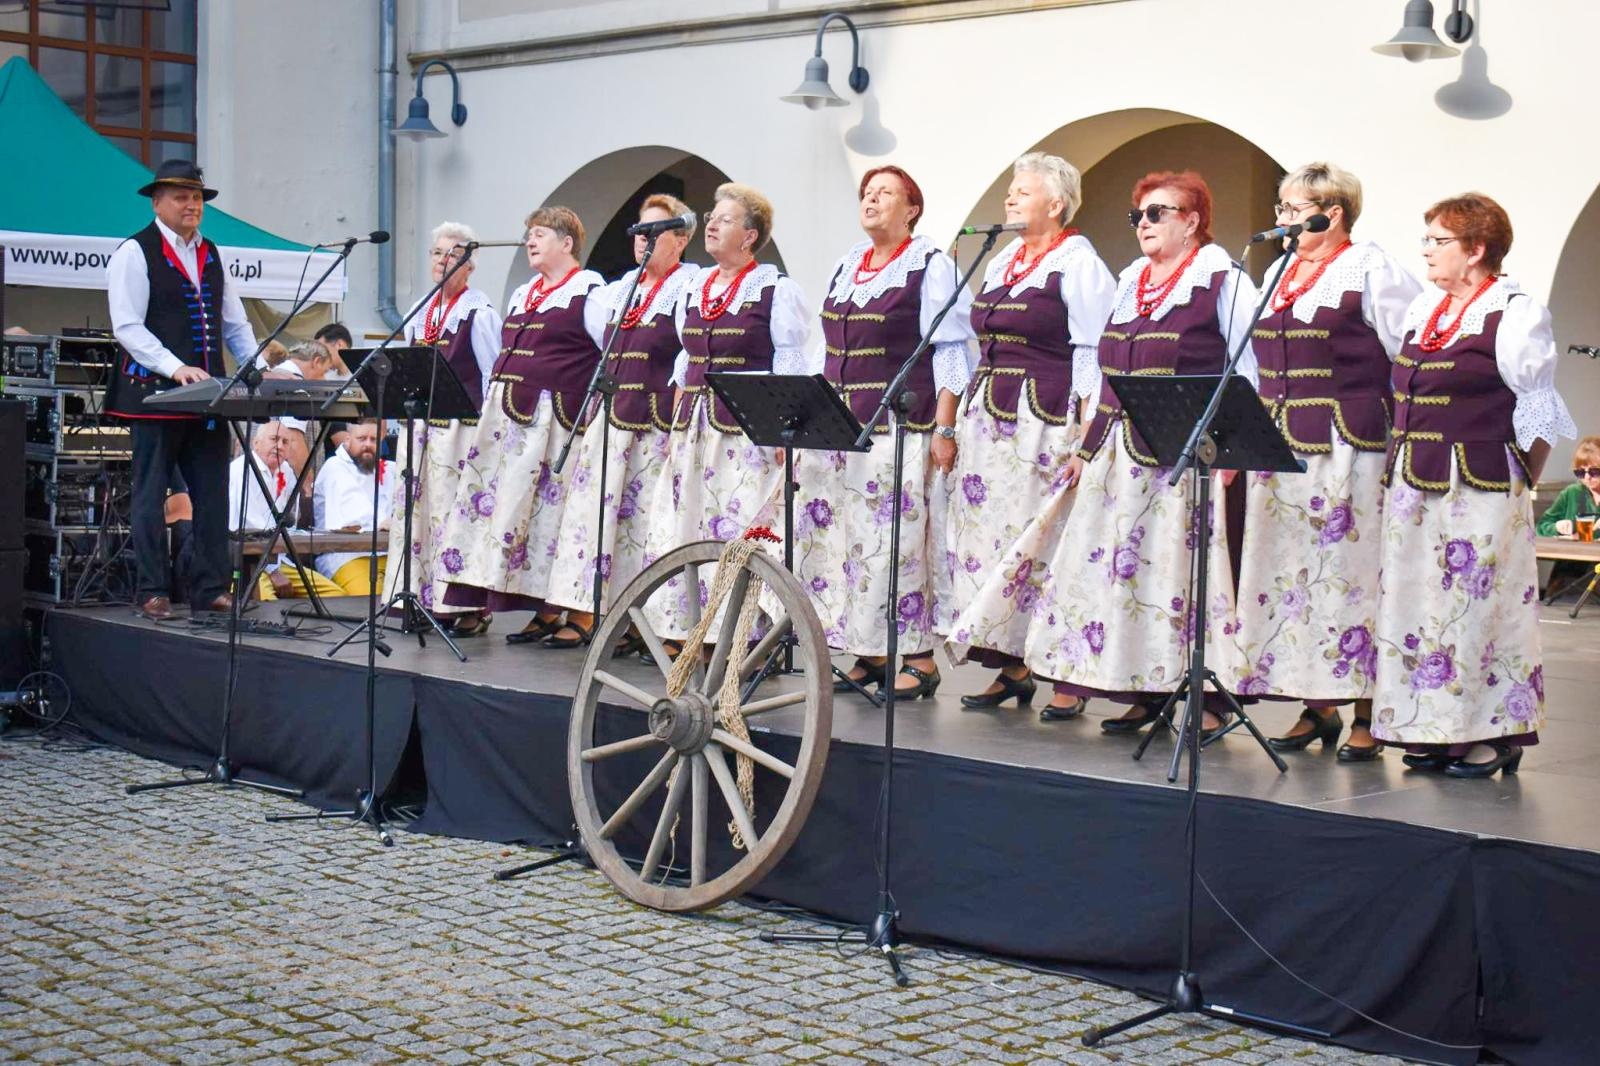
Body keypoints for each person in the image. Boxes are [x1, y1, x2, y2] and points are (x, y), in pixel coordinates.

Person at [971, 171, 1259, 733]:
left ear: (1192, 221)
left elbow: (1246, 367)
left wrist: (1230, 449)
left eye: (1158, 213)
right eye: (1139, 215)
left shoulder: (1221, 278)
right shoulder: (1132, 278)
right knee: (1131, 576)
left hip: (1186, 453)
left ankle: (1206, 699)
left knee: (1182, 576)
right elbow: (1108, 366)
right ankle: (1144, 689)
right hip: (1123, 453)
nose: (1145, 224)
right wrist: (1088, 444)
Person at [1372, 193, 1577, 778]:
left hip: (1479, 487)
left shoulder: (1514, 313)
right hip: (1416, 484)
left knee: (1475, 610)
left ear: (1477, 250)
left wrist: (1520, 490)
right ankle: (1435, 729)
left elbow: (1539, 416)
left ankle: (1495, 733)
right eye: (1429, 239)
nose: (1427, 251)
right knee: (1421, 608)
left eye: (1439, 241)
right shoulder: (1424, 310)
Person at [1227, 164, 1422, 762]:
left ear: (1330, 212)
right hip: (1280, 448)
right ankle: (1318, 705)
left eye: (1289, 209)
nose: (1280, 221)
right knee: (1293, 580)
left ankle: (1365, 710)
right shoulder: (1282, 271)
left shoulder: (1372, 268)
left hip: (1346, 445)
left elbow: (1408, 352)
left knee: (1351, 573)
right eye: (1281, 209)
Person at [940, 153, 1116, 716]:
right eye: (1011, 191)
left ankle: (1062, 673)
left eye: (1022, 191)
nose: (1010, 199)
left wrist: (1088, 436)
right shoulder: (1004, 260)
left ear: (1055, 203)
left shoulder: (1080, 265)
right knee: (995, 541)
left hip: (1044, 422)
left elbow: (1093, 353)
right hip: (991, 421)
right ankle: (1014, 665)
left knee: (1047, 544)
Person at [792, 165, 975, 699]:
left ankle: (917, 657)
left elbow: (951, 350)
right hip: (840, 425)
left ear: (911, 209)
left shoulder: (930, 265)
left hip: (899, 425)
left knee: (896, 546)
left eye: (885, 194)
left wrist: (945, 426)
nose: (871, 201)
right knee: (849, 543)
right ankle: (870, 651)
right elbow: (825, 350)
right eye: (867, 193)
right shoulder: (848, 263)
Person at [641, 182, 810, 647]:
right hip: (693, 427)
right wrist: (678, 414)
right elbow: (686, 355)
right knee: (687, 522)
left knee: (733, 527)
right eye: (712, 217)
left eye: (725, 219)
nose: (711, 224)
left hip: (744, 432)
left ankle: (735, 633)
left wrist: (783, 430)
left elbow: (790, 362)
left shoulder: (775, 291)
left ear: (751, 235)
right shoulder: (694, 286)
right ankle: (684, 625)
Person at [437, 206, 609, 643]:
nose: (530, 242)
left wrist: (591, 414)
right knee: (514, 516)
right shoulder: (524, 292)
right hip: (511, 421)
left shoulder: (590, 291)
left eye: (539, 235)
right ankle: (544, 608)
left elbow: (609, 356)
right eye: (529, 235)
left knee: (556, 517)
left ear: (567, 243)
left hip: (555, 421)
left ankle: (574, 611)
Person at [106, 159, 257, 621]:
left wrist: (260, 367)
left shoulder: (210, 252)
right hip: (153, 395)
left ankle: (210, 586)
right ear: (157, 202)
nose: (192, 204)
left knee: (214, 492)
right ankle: (153, 589)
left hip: (208, 396)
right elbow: (128, 327)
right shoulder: (135, 252)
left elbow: (234, 322)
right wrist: (175, 368)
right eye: (181, 196)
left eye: (196, 197)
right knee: (152, 496)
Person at [544, 194, 696, 648]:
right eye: (638, 232)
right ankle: (601, 614)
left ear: (681, 240)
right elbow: (600, 344)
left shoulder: (690, 286)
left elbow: (692, 354)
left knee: (649, 528)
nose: (642, 241)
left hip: (656, 426)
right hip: (612, 423)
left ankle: (651, 624)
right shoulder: (617, 290)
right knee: (599, 523)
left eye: (654, 232)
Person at [379, 222, 503, 633]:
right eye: (436, 252)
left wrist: (488, 437)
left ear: (468, 264)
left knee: (456, 516)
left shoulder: (479, 314)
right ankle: (418, 596)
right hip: (421, 430)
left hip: (459, 431)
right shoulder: (420, 311)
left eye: (452, 254)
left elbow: (490, 377)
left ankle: (465, 607)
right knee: (418, 514)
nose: (442, 260)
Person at [315, 420, 394, 596]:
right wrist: (384, 522)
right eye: (362, 438)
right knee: (374, 601)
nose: (368, 444)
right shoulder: (334, 467)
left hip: (390, 556)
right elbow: (353, 513)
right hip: (346, 556)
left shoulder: (390, 469)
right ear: (348, 439)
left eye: (374, 439)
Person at [1536, 435, 1600, 536]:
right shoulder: (1572, 493)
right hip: (1573, 551)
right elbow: (1541, 527)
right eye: (1580, 472)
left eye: (1594, 471)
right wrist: (1556, 527)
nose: (1587, 477)